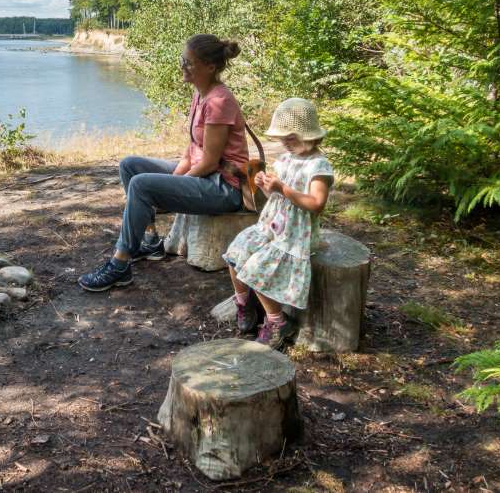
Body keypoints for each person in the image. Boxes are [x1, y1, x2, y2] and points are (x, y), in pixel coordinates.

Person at [78, 34, 249, 292]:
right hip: (204, 174)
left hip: (223, 187)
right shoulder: (200, 94)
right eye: (183, 60)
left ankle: (120, 265)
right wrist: (175, 178)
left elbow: (211, 162)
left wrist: (175, 183)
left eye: (189, 62)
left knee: (141, 185)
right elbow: (193, 150)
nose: (182, 66)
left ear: (210, 67)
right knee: (130, 165)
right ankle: (150, 241)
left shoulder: (219, 101)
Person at [222, 97, 334, 349]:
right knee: (234, 253)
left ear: (306, 134)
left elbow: (316, 204)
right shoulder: (286, 159)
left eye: (290, 138)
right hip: (272, 226)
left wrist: (282, 188)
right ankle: (245, 303)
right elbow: (275, 198)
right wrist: (265, 187)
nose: (284, 143)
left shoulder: (318, 166)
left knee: (256, 269)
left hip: (296, 235)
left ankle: (278, 322)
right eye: (282, 138)